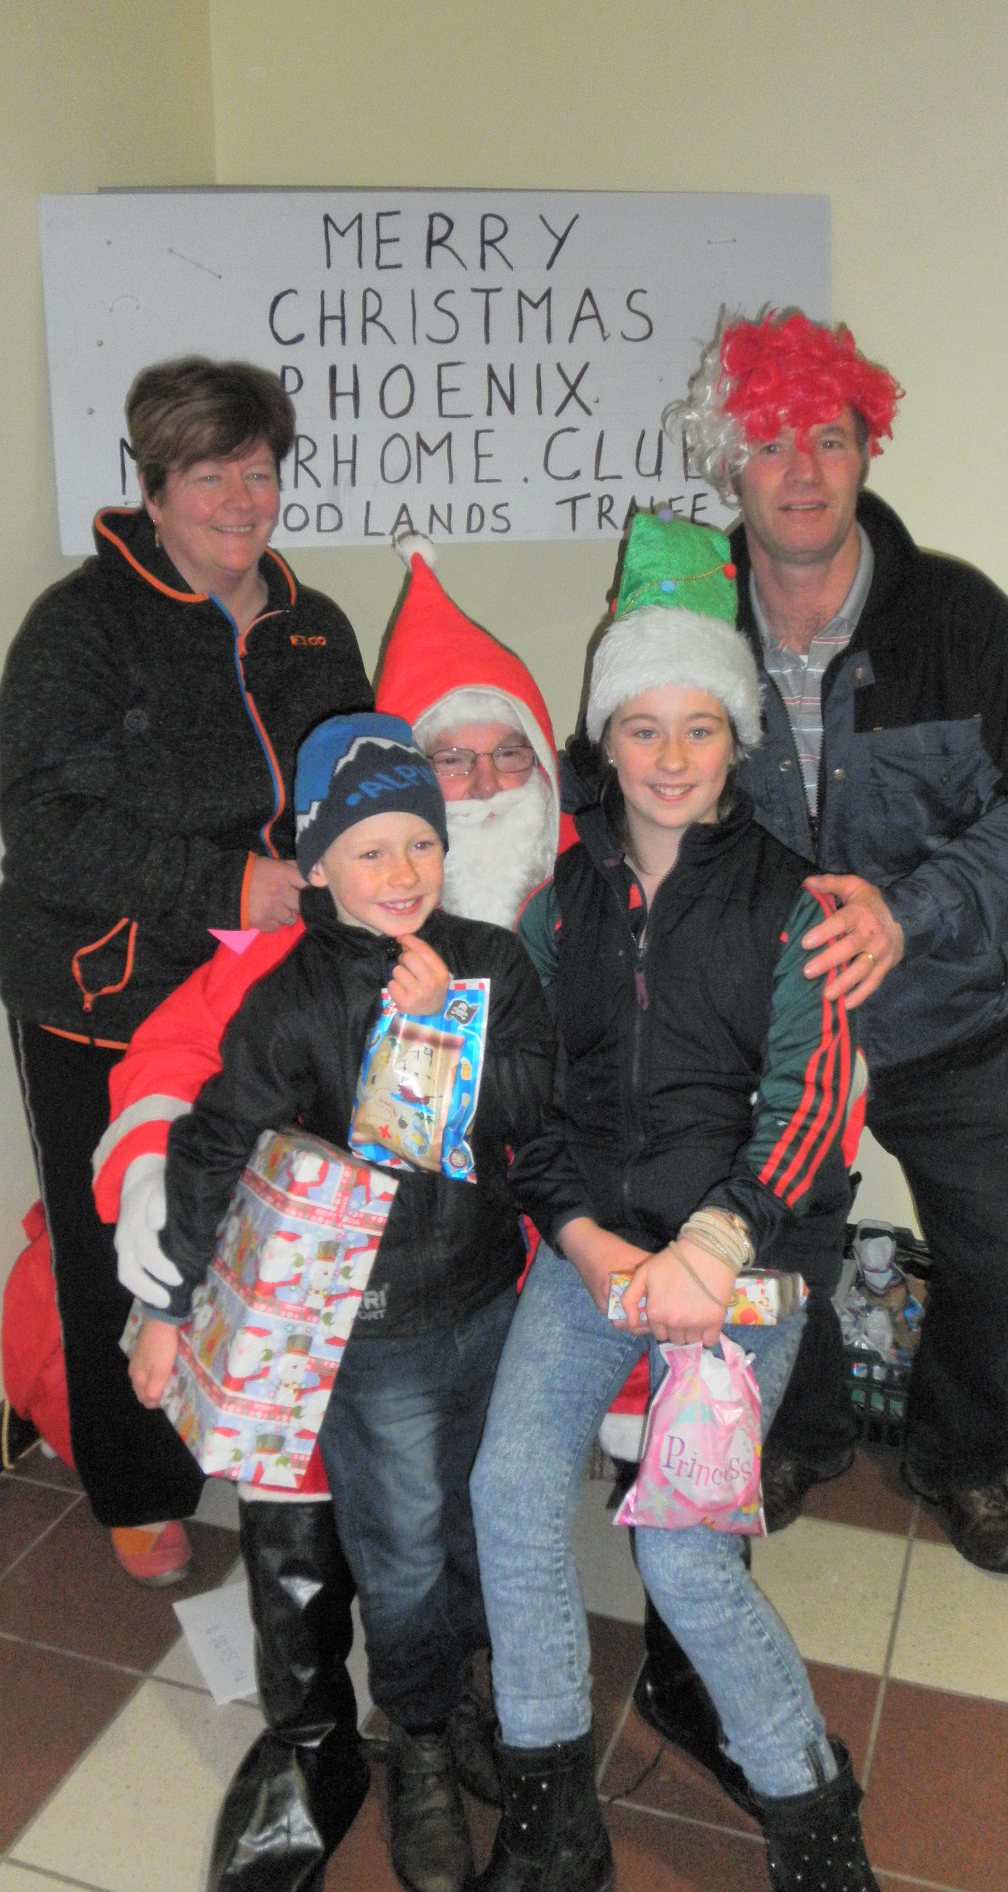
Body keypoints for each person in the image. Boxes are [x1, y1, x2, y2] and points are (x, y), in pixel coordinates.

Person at [92, 557, 570, 1892]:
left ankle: (463, 1696)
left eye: (421, 840)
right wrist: (167, 1300)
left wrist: (454, 1031)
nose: (405, 867)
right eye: (371, 849)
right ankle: (412, 1738)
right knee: (405, 1550)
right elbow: (214, 1137)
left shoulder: (491, 959)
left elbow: (536, 1101)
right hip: (374, 1332)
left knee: (474, 1524)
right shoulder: (291, 995)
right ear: (317, 864)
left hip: (490, 1302)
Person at [470, 512, 880, 1892]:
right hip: (592, 1252)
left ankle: (810, 1809)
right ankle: (550, 1803)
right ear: (605, 735)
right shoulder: (557, 906)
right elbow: (524, 1103)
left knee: (686, 1552)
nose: (669, 755)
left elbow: (813, 1102)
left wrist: (713, 1243)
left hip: (742, 1262)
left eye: (699, 726)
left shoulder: (794, 903)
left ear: (735, 736)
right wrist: (586, 1244)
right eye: (641, 727)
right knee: (510, 1490)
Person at [665, 308, 1008, 1573]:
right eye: (772, 441)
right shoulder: (684, 626)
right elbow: (628, 792)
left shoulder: (960, 616)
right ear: (729, 461)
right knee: (777, 1251)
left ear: (866, 452)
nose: (802, 470)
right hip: (779, 1041)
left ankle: (961, 1460)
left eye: (830, 439)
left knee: (991, 1265)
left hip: (960, 1023)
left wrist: (913, 911)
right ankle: (804, 1434)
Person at [0, 356, 371, 1584]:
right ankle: (138, 1485)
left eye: (257, 473)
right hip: (103, 995)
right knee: (118, 1239)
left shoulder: (316, 625)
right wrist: (226, 886)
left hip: (269, 991)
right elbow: (42, 827)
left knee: (266, 1216)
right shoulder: (81, 628)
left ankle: (267, 1434)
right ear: (153, 491)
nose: (240, 502)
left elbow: (355, 787)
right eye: (209, 477)